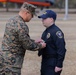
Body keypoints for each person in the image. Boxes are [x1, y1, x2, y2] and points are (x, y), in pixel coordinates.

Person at [0, 2, 46, 75]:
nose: (32, 18)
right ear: (26, 13)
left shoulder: (11, 20)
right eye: (32, 15)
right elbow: (27, 45)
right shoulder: (22, 25)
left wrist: (34, 41)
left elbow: (17, 39)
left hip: (3, 60)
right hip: (13, 63)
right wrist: (41, 46)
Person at [38, 10, 66, 75]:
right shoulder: (46, 31)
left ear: (51, 19)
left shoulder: (56, 32)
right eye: (42, 18)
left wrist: (59, 65)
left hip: (53, 62)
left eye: (44, 18)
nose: (42, 20)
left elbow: (61, 49)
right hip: (45, 61)